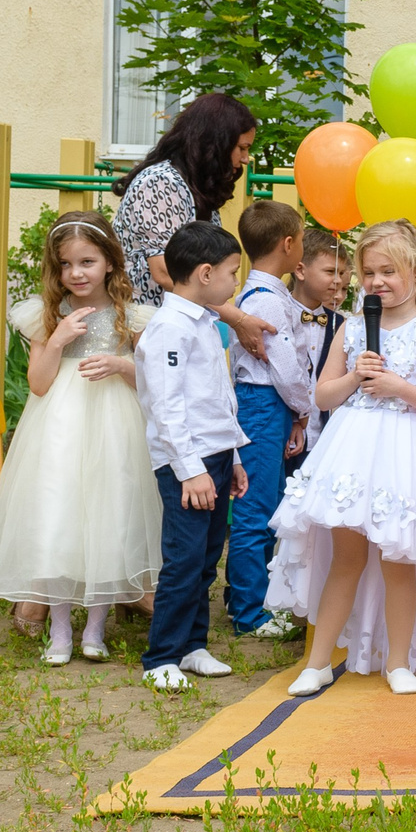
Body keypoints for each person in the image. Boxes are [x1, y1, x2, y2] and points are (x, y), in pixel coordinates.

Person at [0, 212, 161, 665]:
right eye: (66, 265)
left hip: (114, 425)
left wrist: (122, 365)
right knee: (60, 514)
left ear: (109, 263)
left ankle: (95, 631)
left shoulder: (133, 315)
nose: (76, 274)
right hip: (59, 423)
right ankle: (60, 632)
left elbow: (153, 382)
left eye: (87, 262)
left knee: (109, 513)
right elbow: (39, 383)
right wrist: (58, 340)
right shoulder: (46, 315)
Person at [270, 220, 416, 697]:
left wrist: (399, 387)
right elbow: (322, 395)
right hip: (354, 450)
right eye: (369, 272)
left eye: (389, 271)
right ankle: (319, 661)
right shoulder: (353, 328)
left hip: (407, 453)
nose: (377, 281)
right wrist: (354, 378)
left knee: (398, 559)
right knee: (347, 558)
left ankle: (399, 662)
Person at [132, 222, 250, 692]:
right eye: (231, 272)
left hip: (216, 456)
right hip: (188, 465)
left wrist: (233, 457)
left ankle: (192, 645)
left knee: (205, 557)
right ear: (204, 273)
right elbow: (168, 407)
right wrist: (192, 471)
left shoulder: (203, 322)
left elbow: (214, 400)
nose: (234, 281)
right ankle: (161, 655)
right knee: (183, 559)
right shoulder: (167, 330)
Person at [111, 92, 276, 358]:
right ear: (217, 144)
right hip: (145, 332)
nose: (246, 159)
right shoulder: (161, 182)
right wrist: (237, 318)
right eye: (242, 148)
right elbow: (168, 272)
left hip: (173, 329)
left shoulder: (192, 186)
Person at [225, 201, 315, 642]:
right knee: (256, 507)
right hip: (264, 403)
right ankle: (248, 612)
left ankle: (249, 599)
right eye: (300, 237)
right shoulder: (267, 301)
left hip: (269, 404)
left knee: (265, 501)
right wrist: (304, 409)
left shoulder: (265, 293)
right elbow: (286, 370)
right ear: (287, 244)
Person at [289, 226, 352, 460]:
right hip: (283, 435)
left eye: (342, 274)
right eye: (330, 271)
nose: (337, 281)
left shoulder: (340, 324)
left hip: (322, 437)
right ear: (300, 270)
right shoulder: (280, 313)